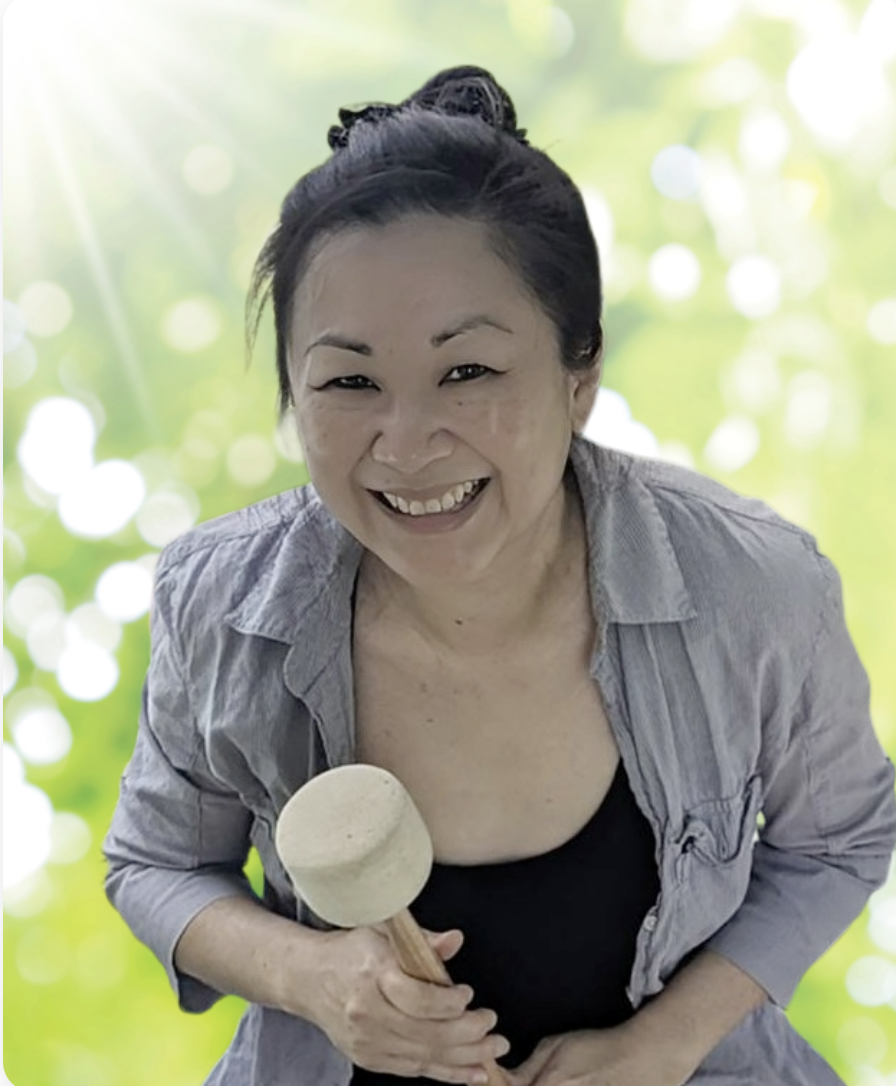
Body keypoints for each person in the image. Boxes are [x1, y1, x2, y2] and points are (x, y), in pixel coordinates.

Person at [104, 66, 896, 1086]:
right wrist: (311, 976)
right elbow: (158, 863)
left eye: (466, 371)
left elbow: (836, 841)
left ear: (579, 374)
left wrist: (660, 1046)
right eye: (348, 381)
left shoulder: (750, 588)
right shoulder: (219, 604)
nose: (406, 442)